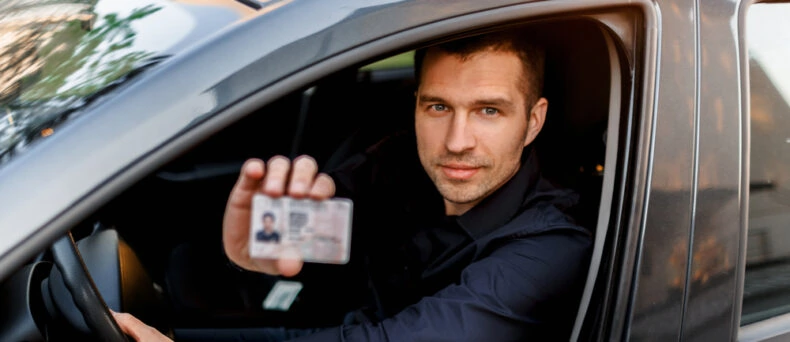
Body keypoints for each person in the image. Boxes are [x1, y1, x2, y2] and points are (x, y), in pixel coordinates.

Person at [112, 29, 592, 341]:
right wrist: (252, 250)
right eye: (438, 107)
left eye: (489, 110)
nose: (457, 141)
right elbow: (312, 226)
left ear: (532, 122)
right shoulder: (404, 162)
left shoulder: (550, 247)